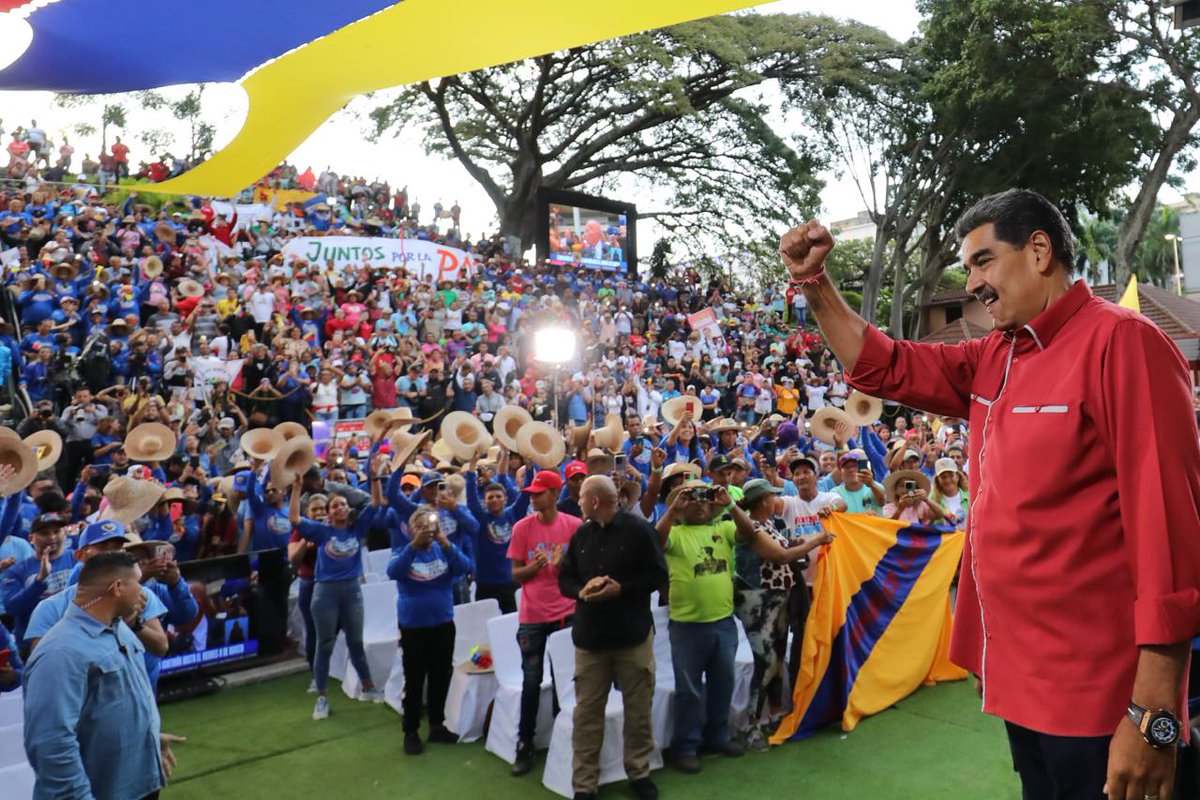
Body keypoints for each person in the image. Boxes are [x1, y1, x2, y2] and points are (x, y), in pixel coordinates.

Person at [779, 189, 1200, 800]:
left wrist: (1153, 715)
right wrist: (815, 284)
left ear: (1039, 251)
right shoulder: (993, 354)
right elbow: (882, 365)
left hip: (1103, 696)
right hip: (1020, 684)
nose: (972, 282)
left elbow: (1170, 534)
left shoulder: (1124, 342)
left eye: (982, 261)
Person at [23, 551, 184, 800]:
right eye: (138, 583)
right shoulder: (60, 652)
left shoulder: (120, 628)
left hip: (140, 783)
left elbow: (109, 706)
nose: (143, 592)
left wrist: (147, 738)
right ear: (117, 588)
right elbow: (51, 743)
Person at [557, 476, 668, 800]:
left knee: (638, 710)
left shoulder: (639, 530)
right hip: (591, 641)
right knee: (587, 714)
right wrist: (582, 591)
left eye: (581, 497)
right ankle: (584, 784)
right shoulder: (581, 535)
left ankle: (639, 772)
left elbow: (658, 574)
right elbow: (565, 577)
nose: (578, 502)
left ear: (594, 501)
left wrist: (622, 589)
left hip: (633, 636)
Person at [654, 479, 760, 774]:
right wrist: (673, 510)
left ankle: (718, 736)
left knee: (722, 684)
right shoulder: (675, 533)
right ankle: (685, 746)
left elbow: (749, 533)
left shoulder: (722, 528)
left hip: (723, 622)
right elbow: (655, 541)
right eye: (692, 498)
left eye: (704, 497)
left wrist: (730, 504)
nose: (699, 502)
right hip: (687, 626)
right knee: (688, 690)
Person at [732, 478, 830, 750]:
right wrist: (816, 540)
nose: (777, 500)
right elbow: (781, 556)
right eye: (772, 496)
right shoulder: (751, 527)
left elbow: (785, 551)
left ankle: (774, 715)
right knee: (765, 661)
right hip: (758, 601)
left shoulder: (768, 525)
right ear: (764, 501)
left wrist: (800, 542)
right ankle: (753, 725)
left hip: (777, 599)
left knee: (775, 659)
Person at [288, 465, 384, 721]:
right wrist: (296, 488)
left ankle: (368, 686)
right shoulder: (322, 531)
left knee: (356, 641)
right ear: (329, 513)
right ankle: (321, 697)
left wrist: (375, 476)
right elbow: (295, 518)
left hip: (352, 590)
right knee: (325, 644)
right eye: (335, 506)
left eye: (343, 504)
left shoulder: (357, 529)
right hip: (325, 592)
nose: (340, 507)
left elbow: (375, 503)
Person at [507, 469, 582, 777]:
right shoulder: (522, 527)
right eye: (532, 494)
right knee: (530, 681)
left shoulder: (574, 526)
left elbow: (581, 571)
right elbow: (515, 574)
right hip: (533, 617)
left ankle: (562, 741)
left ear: (554, 493)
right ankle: (524, 743)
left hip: (566, 614)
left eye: (539, 493)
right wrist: (534, 567)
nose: (533, 498)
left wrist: (563, 566)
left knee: (565, 681)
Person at [387, 506, 472, 755]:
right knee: (414, 680)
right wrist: (414, 546)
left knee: (441, 675)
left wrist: (446, 543)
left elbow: (464, 567)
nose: (426, 529)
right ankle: (411, 731)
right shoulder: (403, 551)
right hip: (413, 627)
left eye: (430, 524)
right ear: (410, 530)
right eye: (420, 525)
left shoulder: (443, 549)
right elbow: (393, 572)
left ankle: (437, 725)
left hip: (442, 623)